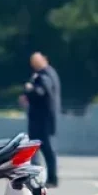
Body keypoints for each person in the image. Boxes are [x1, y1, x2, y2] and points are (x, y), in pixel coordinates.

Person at [21, 52, 60, 187]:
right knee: (37, 149)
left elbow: (41, 92)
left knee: (44, 149)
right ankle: (41, 177)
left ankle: (49, 178)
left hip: (42, 120)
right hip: (43, 119)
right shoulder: (48, 73)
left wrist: (29, 89)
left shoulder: (45, 75)